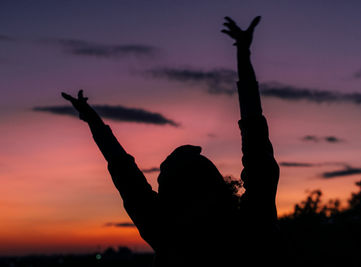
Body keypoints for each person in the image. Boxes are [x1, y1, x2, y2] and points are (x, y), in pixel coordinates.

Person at [62, 16, 279, 267]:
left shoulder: (166, 234)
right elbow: (256, 142)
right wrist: (243, 54)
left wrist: (94, 122)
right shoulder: (252, 224)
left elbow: (126, 175)